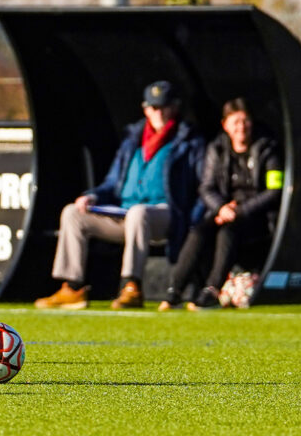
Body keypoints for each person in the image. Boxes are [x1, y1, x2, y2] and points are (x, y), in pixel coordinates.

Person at [34, 81, 206, 310]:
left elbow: (201, 184)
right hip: (124, 214)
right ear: (145, 109)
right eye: (154, 107)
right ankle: (73, 287)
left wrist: (194, 219)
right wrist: (93, 196)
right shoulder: (132, 141)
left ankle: (131, 286)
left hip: (165, 214)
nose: (159, 113)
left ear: (174, 107)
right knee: (72, 213)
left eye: (164, 106)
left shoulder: (189, 142)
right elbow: (112, 183)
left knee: (139, 213)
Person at [159, 97, 283, 311]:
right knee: (198, 231)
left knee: (228, 231)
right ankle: (175, 290)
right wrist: (221, 208)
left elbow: (274, 192)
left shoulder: (267, 149)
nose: (241, 128)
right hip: (223, 212)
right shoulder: (217, 149)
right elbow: (206, 187)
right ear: (225, 125)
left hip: (255, 218)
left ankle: (212, 290)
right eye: (235, 122)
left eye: (245, 121)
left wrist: (241, 210)